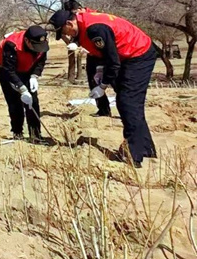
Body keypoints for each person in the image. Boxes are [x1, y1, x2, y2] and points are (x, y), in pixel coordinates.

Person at [49, 9, 157, 167]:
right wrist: (100, 71)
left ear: (69, 23)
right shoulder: (83, 23)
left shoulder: (95, 29)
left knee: (128, 102)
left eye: (63, 31)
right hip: (127, 55)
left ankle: (133, 155)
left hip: (138, 54)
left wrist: (102, 86)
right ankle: (145, 148)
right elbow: (103, 53)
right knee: (129, 102)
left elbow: (113, 63)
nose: (66, 35)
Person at [0, 26, 49, 142]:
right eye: (35, 47)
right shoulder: (11, 45)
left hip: (27, 68)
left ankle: (35, 135)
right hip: (5, 68)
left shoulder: (41, 44)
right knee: (14, 101)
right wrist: (22, 88)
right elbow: (9, 71)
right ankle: (17, 133)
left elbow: (40, 61)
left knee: (33, 101)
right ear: (27, 41)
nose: (38, 50)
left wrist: (34, 76)